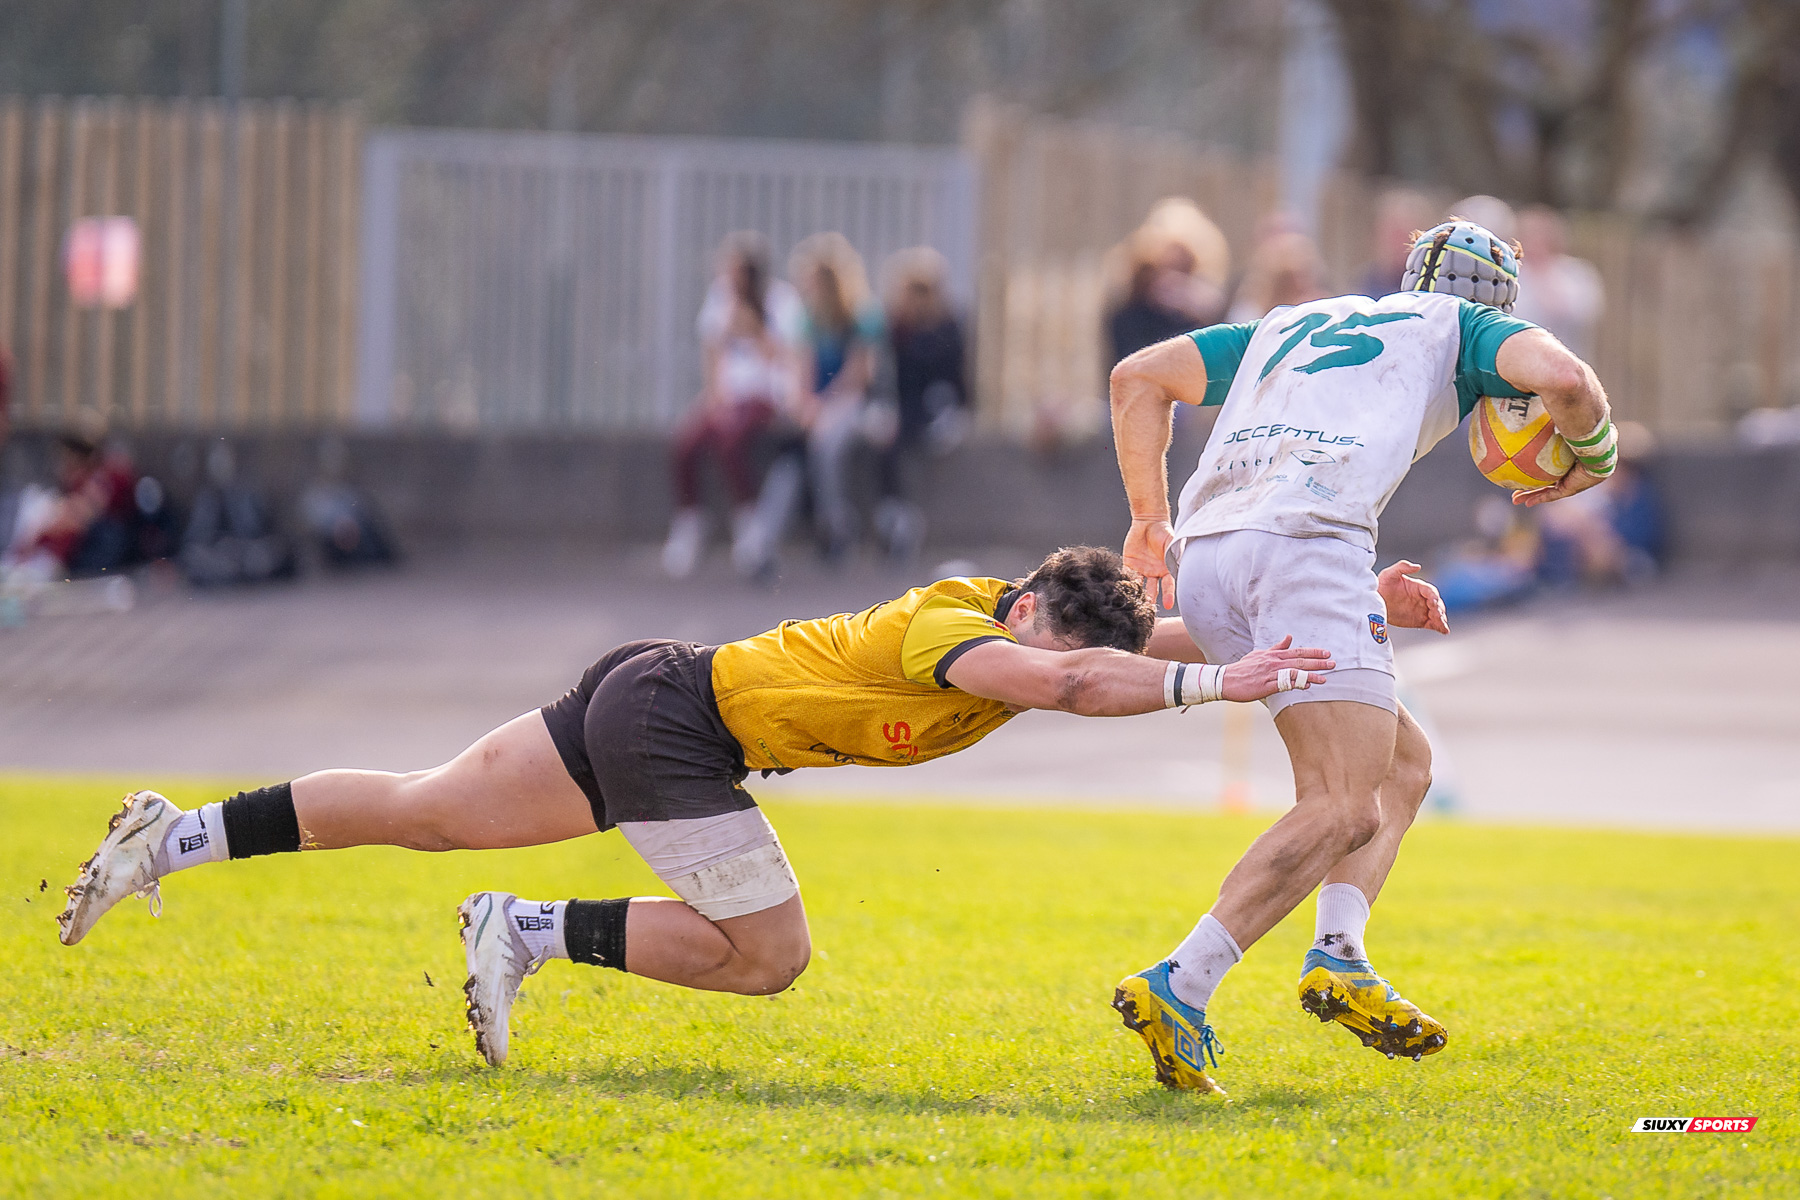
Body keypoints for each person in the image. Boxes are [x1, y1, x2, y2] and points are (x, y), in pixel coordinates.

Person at [57, 547, 1338, 1068]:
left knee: (420, 806)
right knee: (771, 956)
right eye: (1051, 635)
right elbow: (1068, 676)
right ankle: (524, 930)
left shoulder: (1043, 638)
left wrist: (1357, 606)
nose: (1056, 661)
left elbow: (1114, 650)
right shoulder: (958, 627)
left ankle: (170, 835)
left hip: (661, 689)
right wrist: (1216, 684)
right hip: (679, 725)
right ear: (1020, 604)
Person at [1108, 219, 1618, 1093]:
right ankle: (1180, 983)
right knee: (1344, 805)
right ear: (1496, 301)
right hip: (1308, 545)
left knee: (1403, 767)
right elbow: (1567, 380)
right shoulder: (1466, 331)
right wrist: (1594, 460)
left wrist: (1149, 516)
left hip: (1209, 558)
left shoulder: (1291, 321)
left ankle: (1339, 953)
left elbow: (1138, 377)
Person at [662, 233, 804, 579]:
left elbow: (787, 357)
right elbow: (712, 351)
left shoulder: (782, 300)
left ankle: (749, 528)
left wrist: (755, 330)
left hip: (764, 394)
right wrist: (713, 397)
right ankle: (690, 525)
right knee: (686, 443)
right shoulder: (721, 298)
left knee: (732, 445)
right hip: (727, 395)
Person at [790, 232, 885, 562]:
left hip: (851, 401)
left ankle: (837, 525)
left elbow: (860, 373)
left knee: (827, 447)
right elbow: (805, 366)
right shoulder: (809, 318)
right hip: (822, 402)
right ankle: (822, 522)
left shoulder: (861, 316)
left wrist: (823, 402)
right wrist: (805, 401)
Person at [873, 246, 968, 561]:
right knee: (888, 443)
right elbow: (892, 376)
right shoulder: (897, 328)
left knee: (903, 441)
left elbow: (954, 379)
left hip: (936, 406)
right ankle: (895, 516)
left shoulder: (947, 327)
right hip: (906, 406)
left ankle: (900, 520)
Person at [1106, 199, 1230, 365]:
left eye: (1181, 268)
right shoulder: (1129, 308)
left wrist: (1205, 312)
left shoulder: (1207, 306)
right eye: (1164, 268)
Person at [1511, 205, 1604, 363]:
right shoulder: (1512, 277)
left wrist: (1547, 283)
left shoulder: (1577, 274)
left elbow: (1587, 312)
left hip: (1569, 362)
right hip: (1521, 363)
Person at [1224, 216, 1329, 322]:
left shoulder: (1322, 308)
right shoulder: (1250, 314)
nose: (1301, 283)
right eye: (1290, 280)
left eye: (1306, 275)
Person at [1351, 188, 1434, 300]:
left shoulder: (1431, 284)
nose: (1398, 243)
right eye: (1391, 234)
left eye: (1404, 235)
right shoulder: (1365, 284)